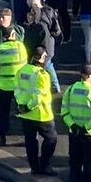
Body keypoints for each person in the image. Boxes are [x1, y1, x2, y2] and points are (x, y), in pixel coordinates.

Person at [15, 47, 57, 175]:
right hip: (41, 114)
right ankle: (44, 165)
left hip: (25, 114)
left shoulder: (22, 71)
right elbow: (38, 96)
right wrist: (29, 106)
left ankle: (34, 167)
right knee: (51, 138)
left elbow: (17, 89)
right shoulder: (42, 75)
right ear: (42, 58)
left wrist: (22, 106)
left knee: (30, 140)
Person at [0, 26, 29, 146]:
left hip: (3, 85)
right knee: (24, 112)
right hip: (19, 85)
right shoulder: (20, 47)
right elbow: (24, 62)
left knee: (2, 113)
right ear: (13, 34)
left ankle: (2, 137)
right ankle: (27, 139)